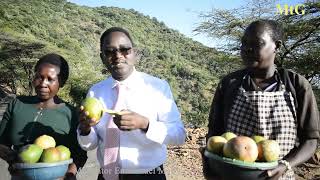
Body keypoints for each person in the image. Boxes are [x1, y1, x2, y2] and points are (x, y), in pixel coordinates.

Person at [203, 19, 319, 180]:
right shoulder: (230, 84)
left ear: (276, 46)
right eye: (244, 43)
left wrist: (285, 165)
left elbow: (311, 139)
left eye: (256, 43)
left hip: (279, 176)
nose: (247, 49)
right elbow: (214, 132)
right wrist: (210, 167)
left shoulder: (296, 85)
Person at [77, 27, 186, 180]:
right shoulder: (96, 92)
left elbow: (179, 135)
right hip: (107, 175)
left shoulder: (158, 88)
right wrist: (85, 129)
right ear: (102, 58)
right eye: (110, 51)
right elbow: (89, 145)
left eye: (124, 50)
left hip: (149, 175)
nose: (117, 56)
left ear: (134, 53)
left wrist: (145, 124)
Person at [0, 53, 87, 179]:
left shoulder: (71, 113)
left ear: (61, 82)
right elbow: (1, 142)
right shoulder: (17, 104)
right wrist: (13, 159)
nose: (43, 83)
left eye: (50, 79)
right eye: (39, 77)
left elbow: (80, 154)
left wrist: (70, 174)